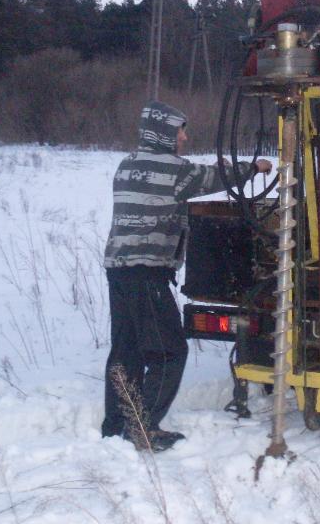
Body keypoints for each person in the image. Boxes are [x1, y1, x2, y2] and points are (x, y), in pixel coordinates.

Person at [101, 100, 272, 452]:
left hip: (118, 270)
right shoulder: (176, 171)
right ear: (164, 133)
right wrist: (255, 166)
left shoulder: (127, 165)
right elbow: (212, 178)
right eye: (180, 130)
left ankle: (114, 425)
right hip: (147, 273)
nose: (185, 137)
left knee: (126, 351)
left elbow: (186, 179)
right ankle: (143, 428)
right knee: (170, 352)